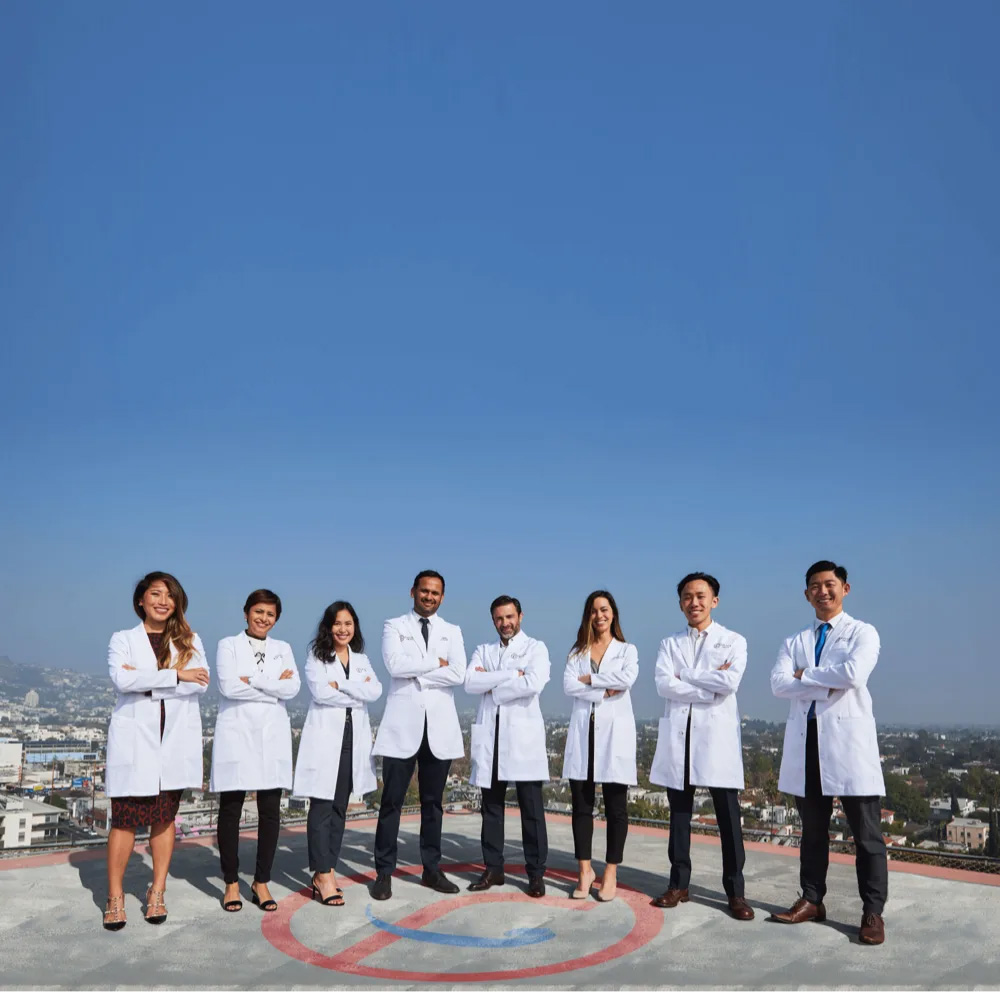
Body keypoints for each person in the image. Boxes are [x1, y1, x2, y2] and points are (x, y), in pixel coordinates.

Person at [770, 560, 888, 945]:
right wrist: (825, 682)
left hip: (849, 746)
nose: (823, 591)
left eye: (830, 584)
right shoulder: (794, 640)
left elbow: (854, 675)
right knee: (813, 833)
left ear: (845, 589)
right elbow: (777, 684)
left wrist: (804, 676)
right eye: (815, 587)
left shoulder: (863, 632)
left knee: (866, 836)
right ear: (806, 595)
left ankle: (872, 912)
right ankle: (812, 899)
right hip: (808, 743)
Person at [103, 571, 210, 930]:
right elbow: (122, 680)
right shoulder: (122, 639)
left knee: (164, 819)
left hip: (172, 742)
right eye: (156, 594)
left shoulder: (190, 639)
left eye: (170, 596)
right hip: (136, 744)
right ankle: (115, 896)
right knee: (124, 822)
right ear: (141, 600)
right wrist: (177, 676)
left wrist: (147, 680)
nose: (163, 601)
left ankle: (157, 890)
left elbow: (202, 682)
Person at [648, 572, 754, 920]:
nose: (694, 602)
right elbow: (664, 684)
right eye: (687, 597)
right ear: (680, 603)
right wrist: (708, 684)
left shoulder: (734, 640)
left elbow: (730, 681)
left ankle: (735, 893)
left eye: (700, 596)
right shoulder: (669, 644)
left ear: (714, 601)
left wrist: (687, 677)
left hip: (716, 740)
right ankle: (679, 884)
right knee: (679, 816)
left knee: (728, 818)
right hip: (680, 736)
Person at [371, 570, 468, 900]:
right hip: (402, 727)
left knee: (433, 804)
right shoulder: (394, 625)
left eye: (435, 592)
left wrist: (420, 669)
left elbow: (458, 673)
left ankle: (431, 869)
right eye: (424, 591)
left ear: (442, 597)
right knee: (391, 803)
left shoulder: (452, 631)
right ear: (413, 591)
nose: (429, 596)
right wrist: (434, 664)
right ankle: (384, 872)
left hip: (438, 728)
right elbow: (395, 666)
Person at [211, 589, 300, 913]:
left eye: (270, 614)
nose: (264, 618)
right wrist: (272, 685)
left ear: (276, 619)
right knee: (231, 810)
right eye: (258, 612)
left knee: (270, 811)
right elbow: (227, 686)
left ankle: (261, 881)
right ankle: (231, 881)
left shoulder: (283, 648)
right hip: (237, 733)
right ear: (246, 612)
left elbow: (292, 688)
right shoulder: (227, 645)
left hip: (271, 735)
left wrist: (253, 681)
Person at [293, 601, 383, 906]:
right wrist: (355, 689)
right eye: (337, 624)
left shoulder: (362, 660)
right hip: (325, 739)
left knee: (341, 807)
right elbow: (321, 692)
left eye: (348, 623)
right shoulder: (315, 658)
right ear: (328, 627)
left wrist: (342, 685)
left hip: (352, 739)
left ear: (354, 626)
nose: (343, 629)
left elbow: (375, 691)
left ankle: (327, 868)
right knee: (322, 806)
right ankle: (322, 873)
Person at [465, 595, 550, 897]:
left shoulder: (535, 648)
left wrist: (494, 688)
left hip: (522, 739)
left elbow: (534, 683)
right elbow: (469, 683)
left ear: (520, 616)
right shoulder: (483, 650)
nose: (505, 623)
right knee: (491, 808)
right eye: (499, 619)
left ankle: (536, 874)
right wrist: (511, 676)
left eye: (510, 617)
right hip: (491, 736)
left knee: (531, 809)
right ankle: (493, 869)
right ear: (493, 621)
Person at [562, 590, 638, 902]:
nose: (599, 615)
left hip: (614, 735)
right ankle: (584, 871)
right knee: (582, 807)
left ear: (613, 613)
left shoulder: (627, 650)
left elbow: (627, 678)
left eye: (604, 609)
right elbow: (568, 685)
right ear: (588, 616)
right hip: (583, 734)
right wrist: (605, 688)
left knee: (616, 809)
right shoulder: (576, 652)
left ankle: (610, 872)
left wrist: (589, 682)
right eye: (594, 611)